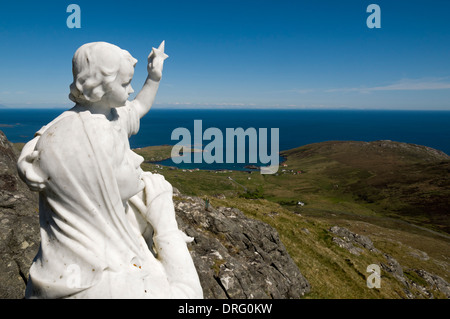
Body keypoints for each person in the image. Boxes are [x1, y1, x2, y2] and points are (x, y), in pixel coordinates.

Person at [17, 41, 203, 299]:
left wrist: (154, 77)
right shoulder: (117, 290)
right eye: (126, 84)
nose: (137, 158)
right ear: (99, 86)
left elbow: (138, 106)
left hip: (104, 212)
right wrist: (165, 225)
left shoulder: (107, 116)